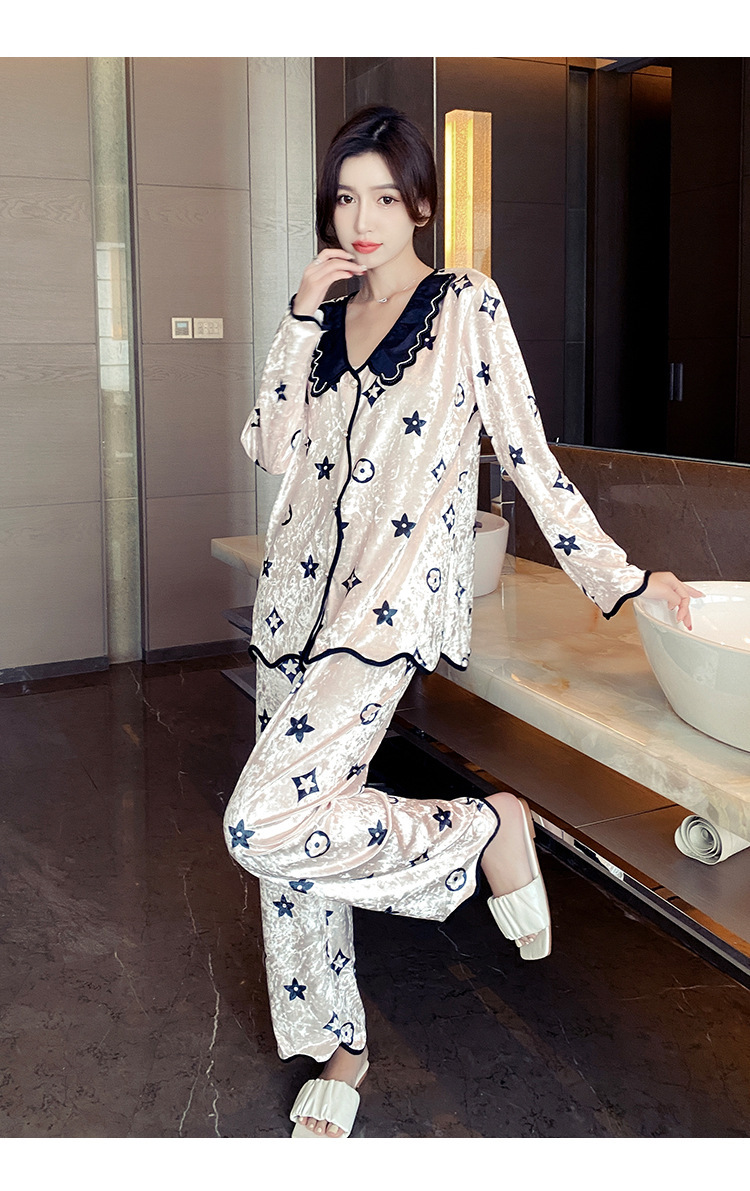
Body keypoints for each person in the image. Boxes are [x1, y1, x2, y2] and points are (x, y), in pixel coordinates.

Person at [223, 105, 702, 1139]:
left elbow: (527, 456)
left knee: (260, 822)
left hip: (382, 610)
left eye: (383, 197)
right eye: (344, 199)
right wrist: (298, 314)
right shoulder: (322, 322)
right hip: (290, 603)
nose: (361, 220)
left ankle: (481, 829)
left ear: (421, 206)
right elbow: (269, 448)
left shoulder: (464, 305)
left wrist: (621, 578)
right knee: (294, 843)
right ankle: (337, 1043)